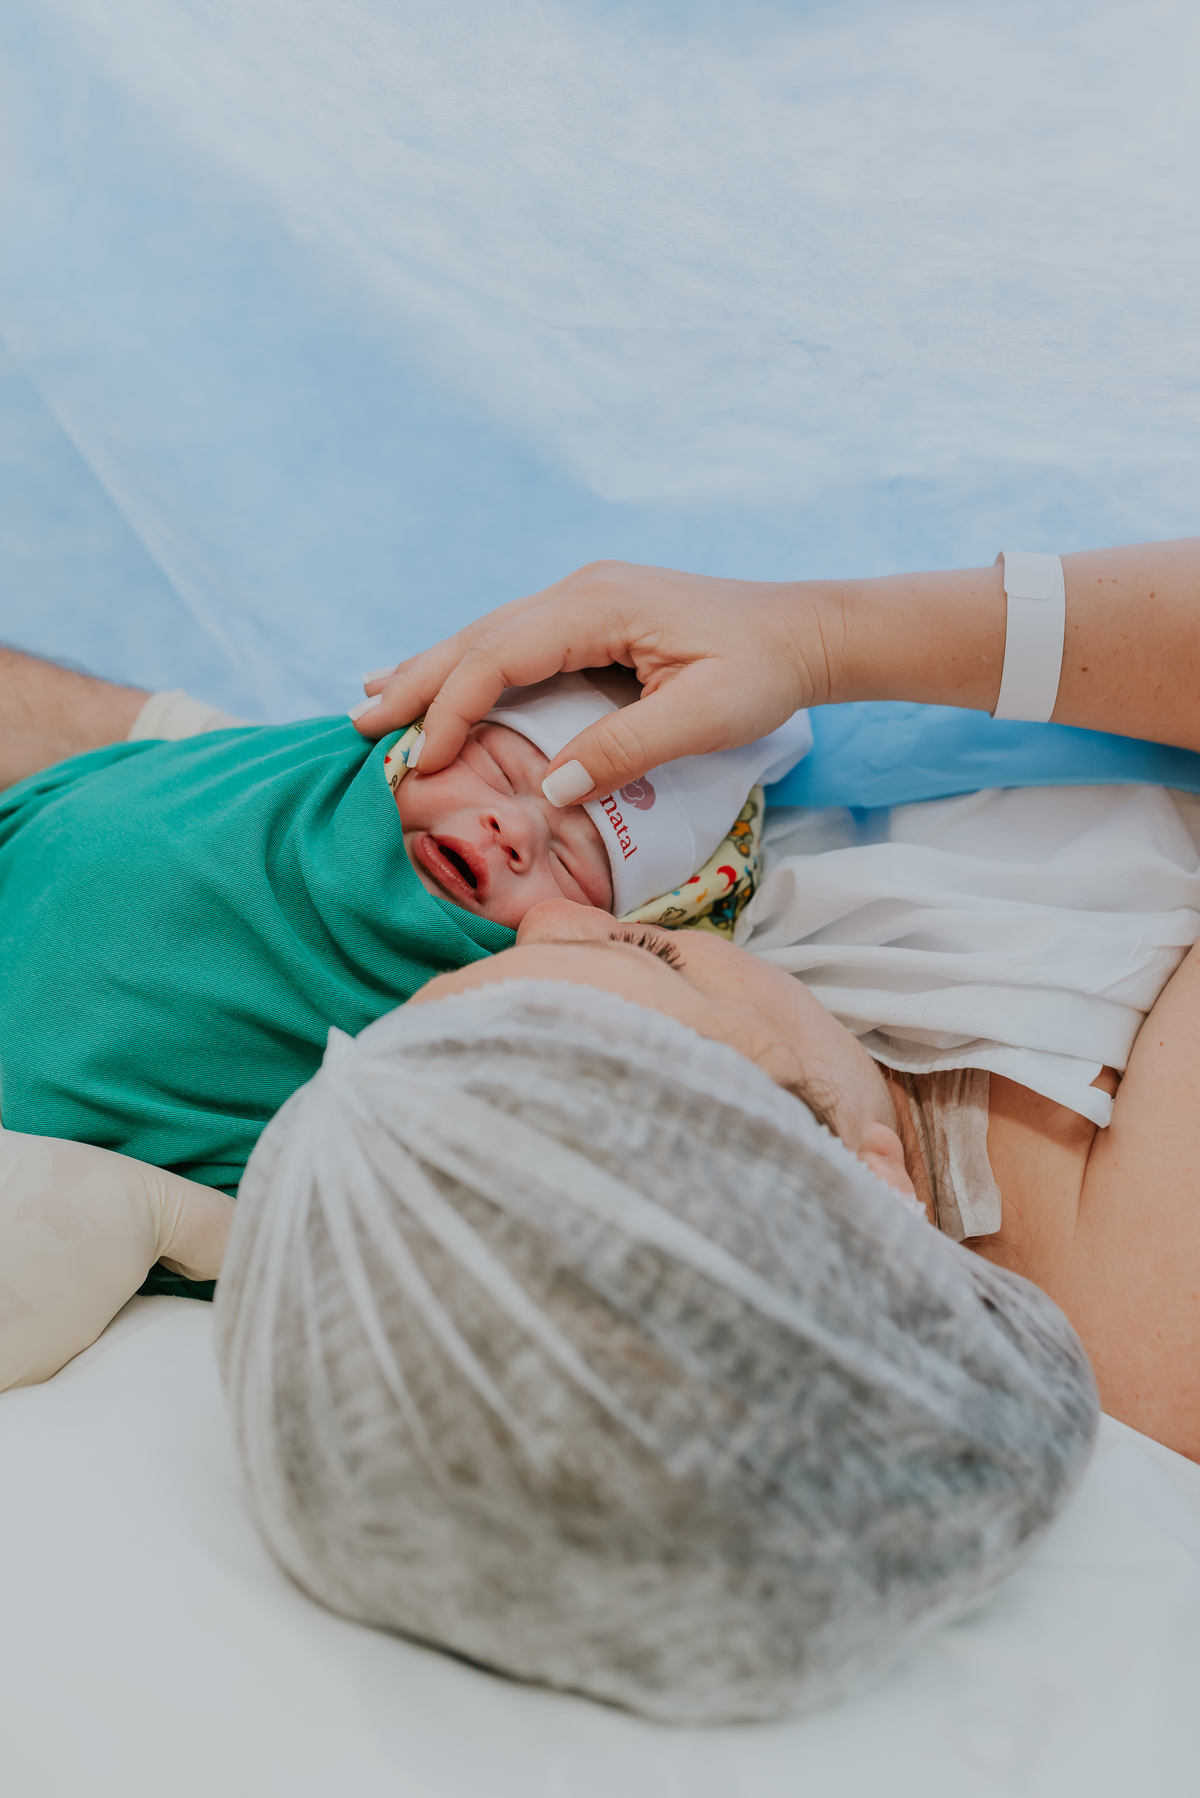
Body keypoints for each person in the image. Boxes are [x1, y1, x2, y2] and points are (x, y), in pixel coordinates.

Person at [0, 649, 804, 1205]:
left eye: (573, 858)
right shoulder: (279, 777)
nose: (511, 829)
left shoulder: (488, 1031)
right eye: (497, 772)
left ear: (613, 928)